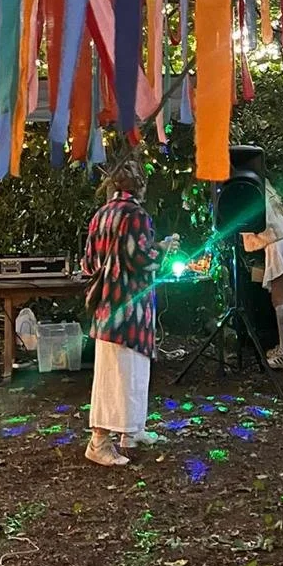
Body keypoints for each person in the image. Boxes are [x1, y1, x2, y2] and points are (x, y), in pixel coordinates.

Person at [81, 160, 178, 467]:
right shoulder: (135, 215)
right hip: (130, 308)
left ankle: (132, 432)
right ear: (140, 186)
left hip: (107, 306)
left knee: (119, 372)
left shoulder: (101, 215)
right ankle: (99, 442)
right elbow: (141, 259)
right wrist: (164, 249)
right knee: (123, 375)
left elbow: (88, 263)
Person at [241, 180, 283, 369]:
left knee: (279, 299)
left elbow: (251, 240)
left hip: (280, 245)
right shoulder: (267, 188)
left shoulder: (247, 194)